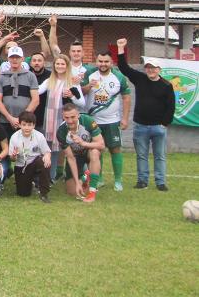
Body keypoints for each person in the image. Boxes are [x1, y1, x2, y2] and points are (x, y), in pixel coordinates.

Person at [115, 38, 175, 191]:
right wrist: (121, 49)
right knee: (141, 155)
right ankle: (142, 181)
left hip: (158, 127)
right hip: (140, 126)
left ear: (159, 69)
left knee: (159, 156)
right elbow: (124, 68)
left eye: (153, 68)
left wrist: (164, 124)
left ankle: (160, 182)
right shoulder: (140, 79)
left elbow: (171, 107)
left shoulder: (166, 86)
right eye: (148, 68)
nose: (151, 70)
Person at [81, 51, 131, 192]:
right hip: (93, 120)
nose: (103, 64)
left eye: (106, 61)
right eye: (100, 61)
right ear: (96, 62)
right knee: (96, 150)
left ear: (111, 62)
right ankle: (99, 179)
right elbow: (81, 92)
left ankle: (118, 180)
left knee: (115, 149)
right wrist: (88, 86)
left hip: (112, 121)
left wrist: (125, 118)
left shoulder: (119, 77)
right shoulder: (89, 74)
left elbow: (126, 98)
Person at [38, 54, 85, 181]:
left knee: (69, 149)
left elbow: (82, 103)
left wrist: (72, 96)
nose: (60, 66)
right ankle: (50, 176)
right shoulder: (49, 81)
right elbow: (37, 91)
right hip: (49, 121)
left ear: (67, 66)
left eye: (62, 64)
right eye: (57, 64)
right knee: (49, 149)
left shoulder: (72, 82)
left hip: (64, 121)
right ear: (54, 66)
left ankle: (79, 174)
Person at [57, 103, 104, 203]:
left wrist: (83, 143)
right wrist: (78, 183)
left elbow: (101, 145)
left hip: (89, 152)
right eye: (67, 117)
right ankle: (85, 176)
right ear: (63, 116)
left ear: (78, 115)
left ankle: (92, 192)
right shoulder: (61, 131)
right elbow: (70, 158)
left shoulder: (88, 121)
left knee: (95, 152)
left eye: (73, 117)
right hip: (75, 156)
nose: (70, 121)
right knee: (73, 191)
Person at [8, 111, 52, 203]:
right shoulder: (14, 137)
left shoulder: (39, 136)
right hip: (22, 165)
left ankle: (44, 193)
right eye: (24, 125)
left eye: (29, 125)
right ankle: (30, 183)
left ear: (34, 125)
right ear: (19, 125)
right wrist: (14, 156)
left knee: (44, 162)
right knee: (23, 194)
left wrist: (47, 156)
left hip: (35, 162)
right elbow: (12, 159)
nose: (27, 128)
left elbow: (47, 151)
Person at [0, 46, 39, 135]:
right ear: (8, 58)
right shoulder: (1, 76)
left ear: (22, 58)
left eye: (17, 57)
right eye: (12, 57)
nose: (15, 59)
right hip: (5, 120)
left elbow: (35, 100)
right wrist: (10, 118)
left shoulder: (30, 76)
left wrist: (22, 118)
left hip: (25, 122)